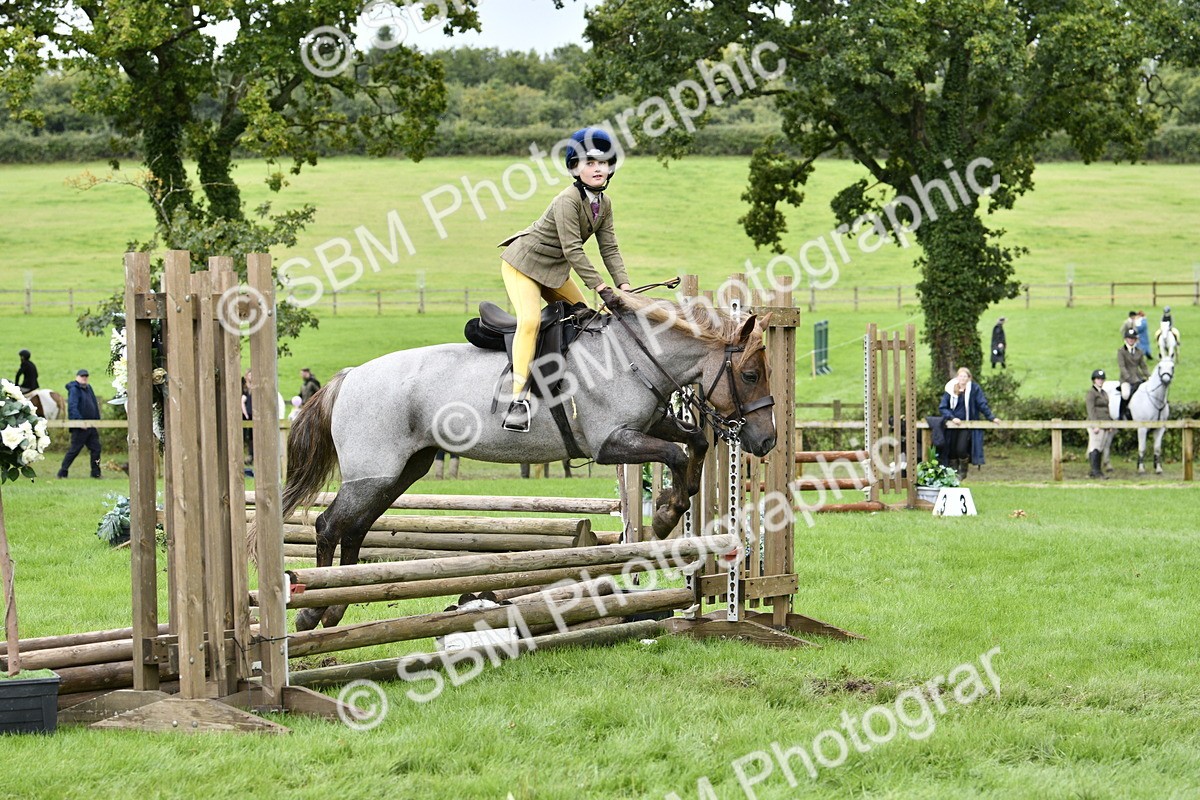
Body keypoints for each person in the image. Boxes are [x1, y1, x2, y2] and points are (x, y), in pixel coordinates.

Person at [495, 126, 633, 432]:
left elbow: (609, 247)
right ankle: (517, 400)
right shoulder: (566, 200)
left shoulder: (604, 204)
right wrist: (601, 287)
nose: (597, 169)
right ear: (575, 168)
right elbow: (573, 250)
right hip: (523, 265)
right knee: (530, 321)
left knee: (586, 318)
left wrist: (625, 288)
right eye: (589, 162)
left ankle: (570, 382)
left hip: (554, 271)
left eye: (603, 163)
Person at [938, 367, 1001, 479]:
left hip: (966, 424)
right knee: (952, 451)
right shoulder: (950, 389)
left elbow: (982, 404)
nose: (962, 378)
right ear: (957, 377)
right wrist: (952, 417)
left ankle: (963, 472)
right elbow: (943, 407)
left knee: (961, 449)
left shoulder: (974, 389)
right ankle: (953, 473)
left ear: (968, 378)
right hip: (952, 424)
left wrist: (991, 418)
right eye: (960, 376)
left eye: (965, 376)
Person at [57, 369, 101, 479]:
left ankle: (96, 473)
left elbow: (94, 404)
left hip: (91, 425)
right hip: (80, 427)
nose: (84, 378)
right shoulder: (74, 389)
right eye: (82, 376)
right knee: (74, 450)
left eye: (86, 376)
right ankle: (62, 472)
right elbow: (72, 406)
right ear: (77, 377)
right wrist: (79, 421)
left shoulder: (88, 388)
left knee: (96, 449)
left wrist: (97, 420)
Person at [1085, 369, 1113, 479]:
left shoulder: (1104, 393)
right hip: (1096, 423)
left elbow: (1107, 409)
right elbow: (1090, 409)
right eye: (1098, 379)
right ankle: (1095, 471)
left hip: (1104, 423)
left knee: (1101, 447)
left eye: (1102, 379)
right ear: (1094, 380)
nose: (1100, 381)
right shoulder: (1091, 393)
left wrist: (1109, 423)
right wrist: (1095, 424)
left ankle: (1096, 470)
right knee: (1095, 446)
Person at [1117, 327, 1149, 420]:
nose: (1131, 340)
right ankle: (1122, 414)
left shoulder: (1139, 352)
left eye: (1133, 338)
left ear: (1135, 340)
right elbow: (1122, 367)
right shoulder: (1121, 351)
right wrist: (1128, 378)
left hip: (1138, 378)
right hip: (1126, 379)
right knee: (1125, 394)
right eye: (1129, 338)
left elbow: (1143, 366)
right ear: (1126, 339)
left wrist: (1149, 376)